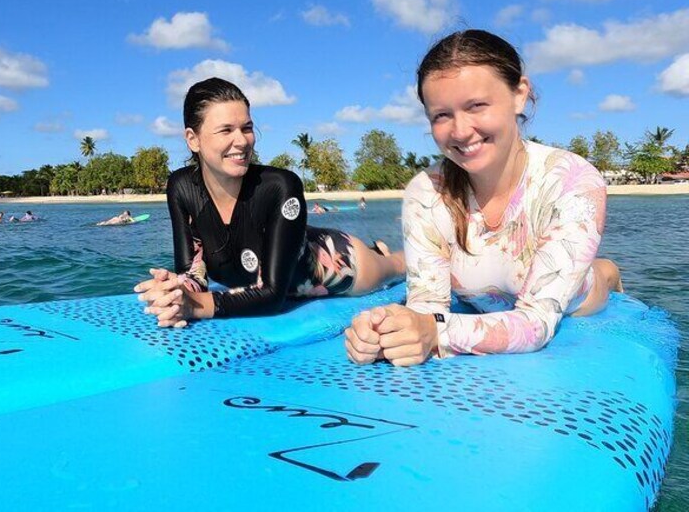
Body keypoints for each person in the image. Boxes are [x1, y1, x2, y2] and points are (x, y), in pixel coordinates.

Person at [345, 29, 623, 368]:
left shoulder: (573, 181)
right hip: (485, 303)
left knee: (594, 281)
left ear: (519, 95)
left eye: (476, 106)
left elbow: (536, 324)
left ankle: (607, 271)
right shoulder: (426, 191)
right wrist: (385, 331)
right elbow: (427, 306)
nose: (460, 131)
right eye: (441, 115)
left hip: (577, 299)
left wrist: (435, 333)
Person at [134, 77, 405, 328]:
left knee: (398, 268)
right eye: (226, 130)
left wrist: (194, 306)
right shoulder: (181, 188)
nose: (241, 141)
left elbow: (273, 295)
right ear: (193, 139)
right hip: (276, 268)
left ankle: (383, 254)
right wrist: (176, 290)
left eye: (247, 128)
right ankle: (378, 247)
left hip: (341, 265)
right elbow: (194, 273)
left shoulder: (280, 186)